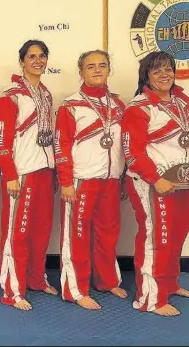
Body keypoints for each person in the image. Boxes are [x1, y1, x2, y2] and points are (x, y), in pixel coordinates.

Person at [122, 51, 189, 317]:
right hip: (152, 183)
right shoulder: (138, 107)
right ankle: (150, 299)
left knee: (177, 235)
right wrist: (156, 179)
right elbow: (133, 153)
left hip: (182, 183)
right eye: (157, 71)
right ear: (146, 76)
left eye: (168, 69)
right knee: (157, 239)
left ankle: (168, 283)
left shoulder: (183, 100)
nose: (164, 75)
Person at [54, 49, 128, 310]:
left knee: (108, 233)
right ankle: (76, 288)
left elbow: (125, 145)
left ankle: (107, 280)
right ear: (81, 72)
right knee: (77, 236)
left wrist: (123, 178)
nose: (97, 70)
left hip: (110, 179)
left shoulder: (119, 105)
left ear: (109, 70)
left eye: (102, 65)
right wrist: (65, 181)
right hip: (81, 180)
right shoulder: (71, 105)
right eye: (90, 66)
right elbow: (60, 145)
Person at [0, 40, 58, 311]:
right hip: (22, 172)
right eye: (32, 56)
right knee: (16, 234)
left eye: (42, 56)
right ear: (22, 61)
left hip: (44, 170)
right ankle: (12, 288)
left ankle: (35, 278)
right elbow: (1, 140)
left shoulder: (46, 94)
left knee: (41, 231)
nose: (38, 61)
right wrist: (9, 173)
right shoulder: (11, 96)